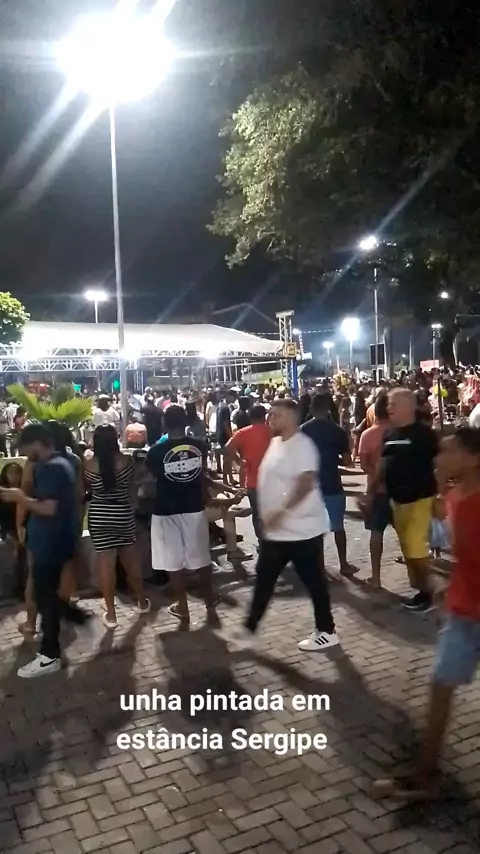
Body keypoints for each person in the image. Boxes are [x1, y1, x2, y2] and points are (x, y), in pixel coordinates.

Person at [375, 428, 480, 800]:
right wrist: (442, 589)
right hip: (463, 612)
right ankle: (426, 774)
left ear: (473, 458)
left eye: (447, 451)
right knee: (440, 686)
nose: (438, 458)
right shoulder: (453, 497)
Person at [230, 399, 338, 652]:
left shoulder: (303, 446)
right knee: (265, 581)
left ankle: (327, 631)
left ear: (291, 416)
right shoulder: (277, 443)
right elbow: (273, 483)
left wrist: (281, 512)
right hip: (278, 532)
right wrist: (260, 511)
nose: (270, 419)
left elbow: (306, 483)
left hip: (302, 531)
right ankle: (248, 630)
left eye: (275, 415)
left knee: (314, 583)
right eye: (270, 414)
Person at [0, 423, 88, 678]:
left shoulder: (52, 468)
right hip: (52, 540)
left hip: (50, 542)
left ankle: (50, 654)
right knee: (45, 594)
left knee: (44, 596)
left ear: (37, 443)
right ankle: (72, 618)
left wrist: (20, 498)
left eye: (26, 448)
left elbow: (49, 508)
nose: (25, 454)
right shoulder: (63, 463)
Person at [146, 404, 216, 625]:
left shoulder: (156, 452)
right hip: (194, 506)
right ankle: (209, 599)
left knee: (172, 559)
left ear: (164, 423)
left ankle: (183, 606)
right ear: (185, 422)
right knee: (202, 556)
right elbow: (201, 475)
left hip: (166, 509)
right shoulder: (200, 446)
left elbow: (151, 479)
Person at [373, 388, 437, 612]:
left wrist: (442, 496)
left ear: (407, 406)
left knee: (415, 547)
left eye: (393, 404)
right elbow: (382, 465)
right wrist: (371, 491)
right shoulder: (389, 434)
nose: (388, 408)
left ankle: (432, 593)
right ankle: (421, 590)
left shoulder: (424, 435)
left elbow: (440, 464)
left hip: (420, 500)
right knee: (408, 549)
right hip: (397, 501)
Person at [84, 425, 149, 628]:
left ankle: (111, 615)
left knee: (106, 565)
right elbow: (133, 485)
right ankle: (141, 601)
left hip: (99, 516)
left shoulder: (88, 465)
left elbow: (84, 490)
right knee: (131, 561)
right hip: (123, 514)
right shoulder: (127, 461)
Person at [301, 393, 355, 576]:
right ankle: (344, 564)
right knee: (338, 527)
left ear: (311, 408)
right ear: (329, 408)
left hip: (310, 487)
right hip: (332, 483)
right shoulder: (337, 431)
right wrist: (332, 459)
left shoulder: (302, 431)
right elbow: (347, 461)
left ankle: (320, 567)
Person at [224, 404, 271, 541]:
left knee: (257, 513)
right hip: (272, 479)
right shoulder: (273, 431)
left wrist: (239, 462)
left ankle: (262, 541)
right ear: (264, 416)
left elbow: (228, 447)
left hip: (252, 480)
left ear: (250, 417)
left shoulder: (242, 433)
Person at [358, 394, 391, 587]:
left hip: (376, 490)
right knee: (407, 535)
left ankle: (376, 577)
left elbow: (363, 464)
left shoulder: (367, 435)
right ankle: (416, 576)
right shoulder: (399, 431)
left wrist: (377, 474)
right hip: (399, 489)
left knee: (376, 534)